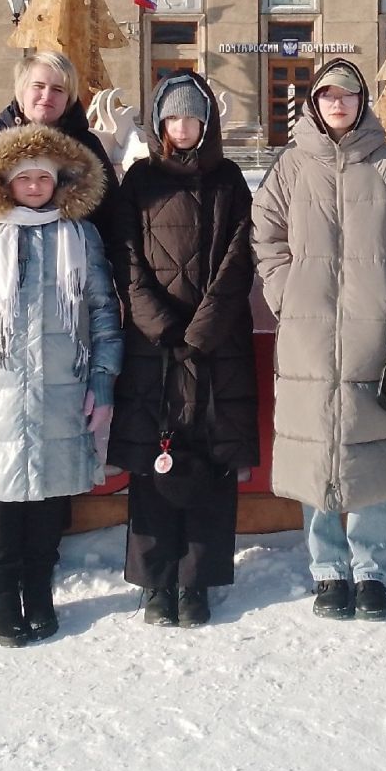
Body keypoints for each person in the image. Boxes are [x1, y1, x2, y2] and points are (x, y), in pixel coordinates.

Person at [253, 59, 386, 622]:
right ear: (314, 102)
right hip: (308, 329)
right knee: (316, 447)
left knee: (368, 444)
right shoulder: (289, 166)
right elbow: (267, 234)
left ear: (362, 102)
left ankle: (371, 567)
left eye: (348, 95)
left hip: (370, 329)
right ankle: (328, 568)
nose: (338, 103)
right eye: (328, 94)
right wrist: (287, 292)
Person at [0, 123, 122, 645]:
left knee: (46, 503)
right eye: (24, 177)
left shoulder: (78, 235)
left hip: (61, 387)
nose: (34, 186)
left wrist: (103, 379)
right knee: (3, 501)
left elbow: (103, 311)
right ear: (5, 182)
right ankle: (3, 596)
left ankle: (39, 591)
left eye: (44, 176)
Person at [108, 71, 257, 628]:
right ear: (160, 123)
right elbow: (125, 258)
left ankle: (196, 582)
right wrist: (162, 327)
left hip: (216, 348)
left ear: (208, 123)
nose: (184, 127)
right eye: (174, 117)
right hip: (155, 349)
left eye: (193, 117)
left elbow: (240, 258)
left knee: (211, 464)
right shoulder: (140, 180)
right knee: (154, 462)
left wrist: (202, 330)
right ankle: (154, 581)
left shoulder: (230, 180)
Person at [0, 51, 121, 287]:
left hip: (67, 291)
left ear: (69, 97)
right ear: (22, 89)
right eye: (38, 86)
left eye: (58, 89)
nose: (47, 95)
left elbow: (112, 220)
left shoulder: (87, 147)